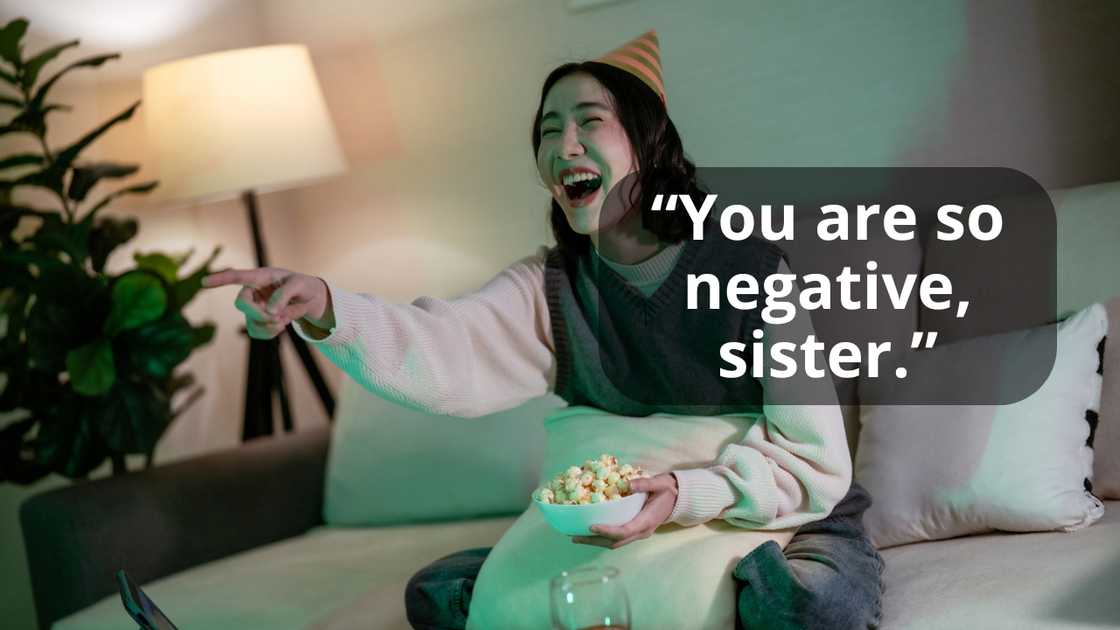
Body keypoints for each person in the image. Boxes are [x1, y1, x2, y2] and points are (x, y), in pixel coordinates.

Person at [203, 30, 884, 630]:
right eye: (547, 129)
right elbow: (444, 347)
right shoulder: (549, 287)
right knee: (436, 593)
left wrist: (687, 492)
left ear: (648, 140)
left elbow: (816, 462)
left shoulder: (751, 268)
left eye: (590, 121)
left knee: (808, 609)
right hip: (626, 518)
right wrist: (325, 303)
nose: (564, 147)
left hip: (775, 512)